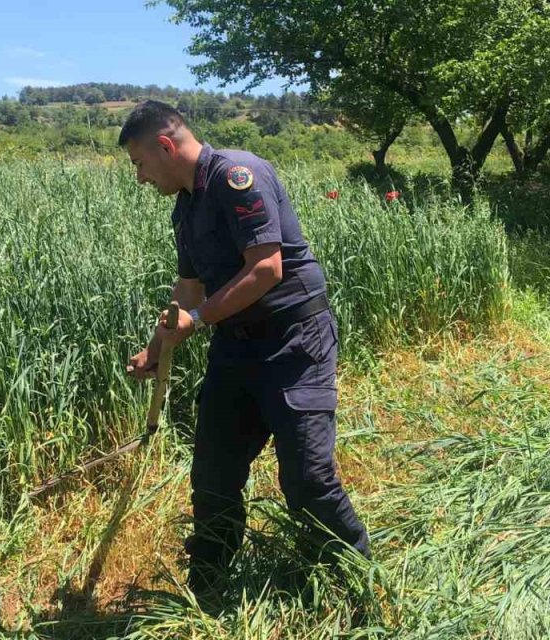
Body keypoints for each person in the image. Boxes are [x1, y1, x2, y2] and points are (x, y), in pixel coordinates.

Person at [119, 101, 370, 597]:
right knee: (213, 473)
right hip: (237, 346)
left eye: (140, 164)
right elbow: (188, 287)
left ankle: (356, 577)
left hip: (294, 341)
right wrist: (155, 346)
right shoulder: (186, 206)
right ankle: (207, 586)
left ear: (166, 147)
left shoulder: (239, 176)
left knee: (307, 479)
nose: (140, 177)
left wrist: (198, 320)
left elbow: (266, 270)